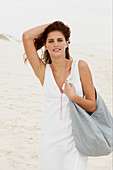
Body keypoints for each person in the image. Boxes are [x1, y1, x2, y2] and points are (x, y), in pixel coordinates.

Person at [22, 21, 96, 170]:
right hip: (49, 141)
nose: (56, 44)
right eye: (51, 41)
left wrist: (74, 97)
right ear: (46, 45)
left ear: (67, 43)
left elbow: (92, 105)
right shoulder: (43, 71)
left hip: (75, 142)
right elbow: (27, 36)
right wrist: (53, 24)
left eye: (60, 40)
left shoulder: (80, 67)